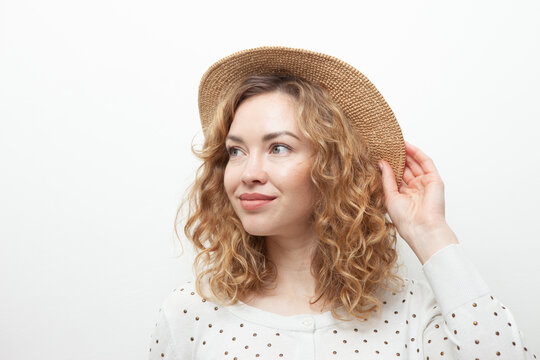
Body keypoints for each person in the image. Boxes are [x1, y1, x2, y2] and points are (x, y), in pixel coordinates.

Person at [148, 46, 536, 359]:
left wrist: (428, 232)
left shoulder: (411, 313)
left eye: (278, 147)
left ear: (334, 167)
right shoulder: (191, 313)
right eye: (235, 151)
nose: (248, 171)